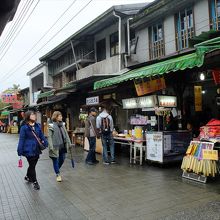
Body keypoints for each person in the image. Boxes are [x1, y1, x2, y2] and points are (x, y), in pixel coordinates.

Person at [17, 111, 48, 190]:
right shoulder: (24, 128)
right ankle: (35, 182)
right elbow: (21, 139)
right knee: (32, 165)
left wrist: (46, 143)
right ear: (28, 117)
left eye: (34, 115)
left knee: (32, 165)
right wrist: (19, 150)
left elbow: (41, 136)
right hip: (28, 150)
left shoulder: (38, 126)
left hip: (36, 149)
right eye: (32, 115)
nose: (34, 116)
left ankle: (28, 176)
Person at [47, 111, 72, 182]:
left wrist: (69, 143)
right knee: (55, 160)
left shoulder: (62, 125)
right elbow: (49, 137)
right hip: (54, 146)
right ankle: (58, 174)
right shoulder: (51, 126)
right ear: (56, 117)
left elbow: (66, 135)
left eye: (61, 116)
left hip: (62, 145)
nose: (61, 117)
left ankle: (56, 169)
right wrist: (51, 147)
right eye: (60, 116)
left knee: (62, 159)